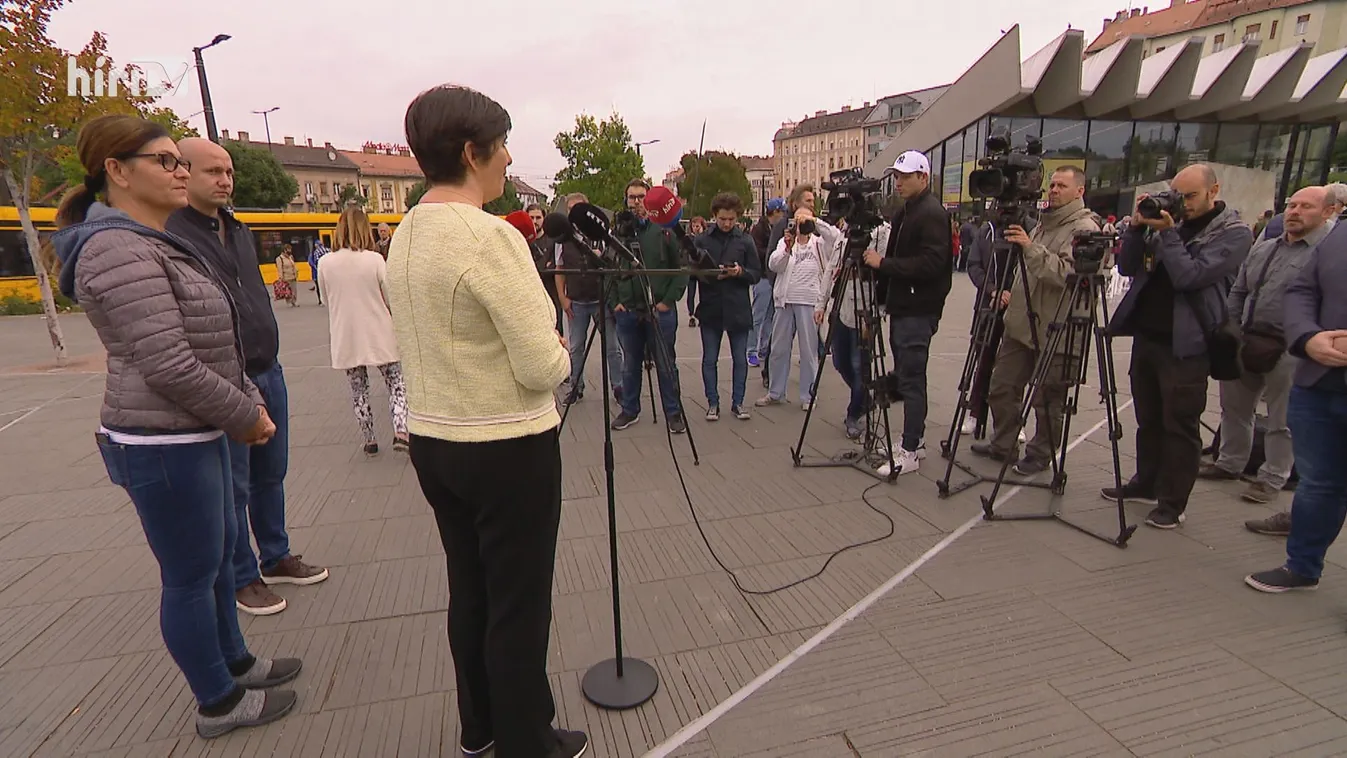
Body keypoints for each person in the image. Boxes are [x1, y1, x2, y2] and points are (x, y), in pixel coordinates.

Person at [49, 113, 299, 738]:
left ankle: (235, 662)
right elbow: (168, 362)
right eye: (166, 161)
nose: (180, 171)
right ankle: (217, 701)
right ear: (116, 172)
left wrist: (242, 401)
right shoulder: (116, 249)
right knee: (190, 575)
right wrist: (245, 413)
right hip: (163, 442)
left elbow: (212, 340)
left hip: (195, 430)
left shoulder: (153, 240)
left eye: (179, 161)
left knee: (216, 563)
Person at [384, 84, 585, 758]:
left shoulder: (407, 231)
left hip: (434, 437)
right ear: (472, 153)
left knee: (469, 589)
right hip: (504, 443)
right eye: (500, 147)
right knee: (519, 604)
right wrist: (560, 350)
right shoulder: (488, 236)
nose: (507, 160)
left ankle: (482, 728)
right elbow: (538, 366)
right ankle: (527, 742)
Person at [169, 138, 329, 617]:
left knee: (271, 474)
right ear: (185, 173)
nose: (224, 180)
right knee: (234, 486)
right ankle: (243, 576)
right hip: (227, 379)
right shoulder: (174, 234)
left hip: (268, 367)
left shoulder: (237, 228)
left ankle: (275, 554)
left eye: (229, 171)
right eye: (213, 171)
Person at [1104, 164, 1253, 529]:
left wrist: (1169, 235)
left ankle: (1173, 502)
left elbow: (1191, 276)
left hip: (1188, 345)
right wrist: (1137, 229)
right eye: (1177, 195)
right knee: (1148, 419)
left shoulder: (1234, 234)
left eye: (1190, 197)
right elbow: (1126, 268)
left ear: (1213, 191)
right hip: (1149, 338)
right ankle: (1146, 482)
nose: (1182, 204)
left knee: (1180, 425)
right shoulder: (1168, 220)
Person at [1203, 187, 1328, 513]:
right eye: (1292, 205)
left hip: (1290, 349)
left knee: (1281, 420)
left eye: (1306, 207)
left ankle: (1272, 477)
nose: (1295, 211)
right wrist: (1231, 329)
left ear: (1327, 212)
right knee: (1234, 409)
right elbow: (1240, 289)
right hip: (1247, 339)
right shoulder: (1264, 248)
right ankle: (1229, 462)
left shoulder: (1327, 254)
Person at [973, 166, 1099, 476]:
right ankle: (1003, 444)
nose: (1054, 190)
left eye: (1062, 185)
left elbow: (1068, 275)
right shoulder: (1043, 223)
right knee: (1002, 385)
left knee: (1048, 397)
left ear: (1079, 191)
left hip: (1057, 327)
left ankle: (1041, 452)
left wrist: (1030, 248)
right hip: (1021, 323)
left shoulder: (1086, 228)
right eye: (1052, 184)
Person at [1244, 217, 1347, 593]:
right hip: (1320, 381)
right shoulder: (1340, 232)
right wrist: (1307, 336)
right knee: (1318, 484)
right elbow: (1302, 289)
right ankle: (1302, 566)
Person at [864, 150, 955, 476]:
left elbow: (932, 263)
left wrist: (883, 265)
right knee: (907, 375)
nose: (898, 182)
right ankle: (914, 441)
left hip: (918, 309)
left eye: (905, 176)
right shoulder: (908, 212)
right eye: (897, 176)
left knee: (912, 378)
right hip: (905, 307)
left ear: (923, 178)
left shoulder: (930, 213)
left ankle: (910, 449)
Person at [318, 204, 409, 456]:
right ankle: (401, 430)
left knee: (359, 389)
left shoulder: (325, 263)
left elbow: (325, 299)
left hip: (346, 334)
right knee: (396, 383)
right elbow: (390, 297)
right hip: (379, 331)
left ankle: (369, 438)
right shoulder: (375, 259)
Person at [608, 178, 689, 434]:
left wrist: (668, 300)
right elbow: (608, 270)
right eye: (632, 197)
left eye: (641, 197)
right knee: (630, 364)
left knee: (666, 364)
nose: (636, 203)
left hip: (659, 309)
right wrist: (615, 302)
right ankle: (630, 409)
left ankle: (673, 413)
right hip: (628, 311)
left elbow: (682, 267)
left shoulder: (664, 228)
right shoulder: (618, 232)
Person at [758, 207, 833, 410]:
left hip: (809, 300)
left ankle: (808, 395)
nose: (800, 224)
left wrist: (815, 221)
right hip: (784, 300)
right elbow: (774, 265)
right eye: (797, 220)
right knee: (778, 349)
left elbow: (834, 238)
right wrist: (787, 247)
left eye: (803, 220)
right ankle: (775, 392)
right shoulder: (785, 242)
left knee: (808, 351)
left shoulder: (819, 243)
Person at [695, 193, 761, 421]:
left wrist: (739, 272)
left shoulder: (745, 240)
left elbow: (756, 273)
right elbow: (692, 272)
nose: (727, 223)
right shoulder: (702, 239)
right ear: (714, 216)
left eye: (731, 219)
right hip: (711, 306)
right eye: (723, 219)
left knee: (740, 359)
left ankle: (738, 403)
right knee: (709, 359)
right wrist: (710, 274)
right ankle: (712, 403)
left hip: (737, 307)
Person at [823, 215, 889, 439]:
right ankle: (865, 398)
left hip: (865, 307)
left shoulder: (881, 232)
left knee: (859, 365)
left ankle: (854, 412)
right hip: (840, 305)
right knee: (839, 361)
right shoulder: (844, 233)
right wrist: (820, 304)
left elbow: (884, 275)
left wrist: (877, 313)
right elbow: (832, 267)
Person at [750, 198, 787, 369]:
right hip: (763, 277)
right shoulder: (759, 229)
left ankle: (764, 348)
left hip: (776, 278)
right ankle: (751, 350)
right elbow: (757, 251)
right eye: (782, 212)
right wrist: (773, 253)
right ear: (775, 212)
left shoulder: (781, 228)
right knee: (758, 315)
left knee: (771, 316)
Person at [686, 215, 707, 326]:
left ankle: (701, 314)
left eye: (697, 226)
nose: (695, 228)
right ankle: (691, 315)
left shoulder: (706, 239)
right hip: (692, 270)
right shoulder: (689, 239)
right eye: (693, 226)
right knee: (691, 294)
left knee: (703, 294)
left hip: (702, 270)